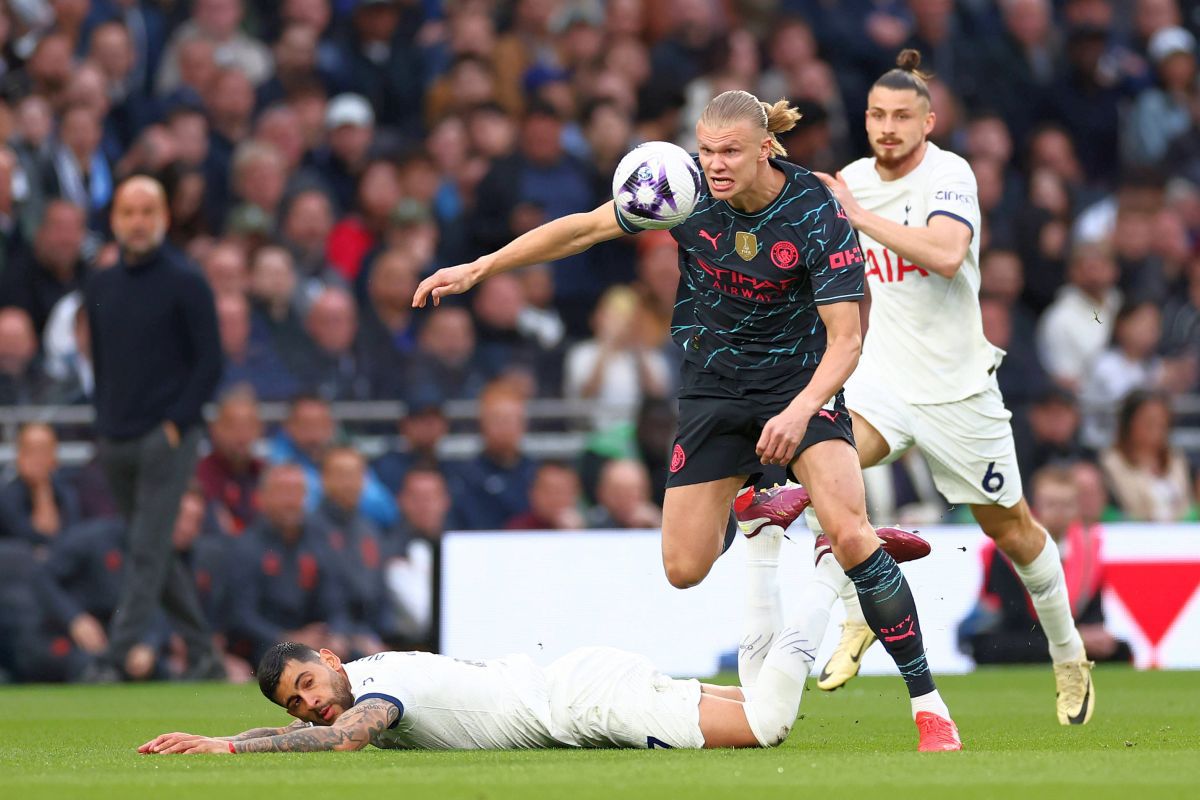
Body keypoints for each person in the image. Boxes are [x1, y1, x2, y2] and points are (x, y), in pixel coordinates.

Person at [414, 88, 959, 750]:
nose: (716, 163)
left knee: (849, 530)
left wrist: (797, 410)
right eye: (706, 150)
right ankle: (759, 510)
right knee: (683, 567)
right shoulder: (683, 192)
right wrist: (483, 265)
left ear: (766, 148)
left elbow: (846, 340)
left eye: (730, 151)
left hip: (800, 386)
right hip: (714, 392)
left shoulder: (816, 213)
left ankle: (930, 707)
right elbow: (585, 226)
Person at [811, 50, 1094, 726]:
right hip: (881, 379)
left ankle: (1069, 652)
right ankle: (860, 614)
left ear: (928, 121)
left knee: (1014, 529)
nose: (886, 126)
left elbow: (941, 254)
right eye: (877, 114)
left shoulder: (950, 175)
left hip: (957, 392)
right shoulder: (850, 178)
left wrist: (855, 214)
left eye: (901, 116)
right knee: (827, 468)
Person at [138, 527, 929, 753]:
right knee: (760, 707)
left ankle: (830, 569)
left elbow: (345, 739)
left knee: (768, 724)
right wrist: (224, 738)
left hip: (583, 705)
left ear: (331, 659)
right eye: (297, 702)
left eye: (307, 683)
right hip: (573, 684)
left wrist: (232, 754)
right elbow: (311, 731)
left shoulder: (375, 696)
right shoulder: (364, 683)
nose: (309, 706)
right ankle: (760, 528)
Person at [84, 176, 225, 680]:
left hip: (165, 436)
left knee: (145, 547)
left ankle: (116, 656)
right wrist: (103, 422)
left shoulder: (186, 280)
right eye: (128, 212)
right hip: (116, 435)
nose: (138, 221)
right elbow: (100, 361)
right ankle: (204, 653)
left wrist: (176, 423)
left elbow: (209, 362)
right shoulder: (100, 283)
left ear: (164, 217)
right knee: (155, 549)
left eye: (147, 211)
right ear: (115, 219)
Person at [958, 465, 1132, 665]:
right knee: (994, 648)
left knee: (1119, 650)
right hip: (1018, 635)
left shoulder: (1088, 552)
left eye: (1067, 505)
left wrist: (1092, 634)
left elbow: (1094, 614)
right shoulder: (1010, 549)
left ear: (1077, 507)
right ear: (1036, 507)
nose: (1059, 512)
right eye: (1051, 504)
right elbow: (1012, 616)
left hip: (1064, 638)